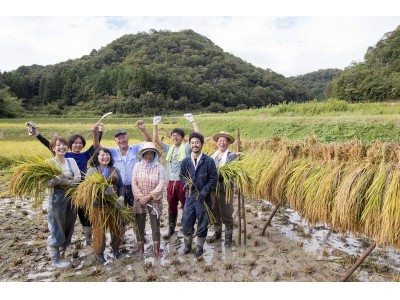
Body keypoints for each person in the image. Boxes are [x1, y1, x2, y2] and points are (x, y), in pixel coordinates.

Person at [26, 121, 101, 245]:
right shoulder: (65, 155)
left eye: (80, 143)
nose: (78, 145)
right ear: (70, 145)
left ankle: (88, 239)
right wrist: (37, 134)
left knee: (86, 216)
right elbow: (49, 145)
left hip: (82, 191)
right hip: (66, 192)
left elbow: (95, 146)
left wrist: (97, 132)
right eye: (75, 143)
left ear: (83, 145)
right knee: (66, 218)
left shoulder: (85, 155)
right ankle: (62, 243)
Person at [152, 113, 199, 239]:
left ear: (183, 138)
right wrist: (155, 124)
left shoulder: (187, 148)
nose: (175, 137)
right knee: (171, 207)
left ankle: (188, 228)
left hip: (183, 182)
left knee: (186, 207)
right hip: (171, 182)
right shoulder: (169, 148)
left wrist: (193, 121)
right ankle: (171, 229)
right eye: (173, 136)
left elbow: (197, 136)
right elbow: (155, 139)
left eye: (177, 136)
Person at [179, 132, 218, 257]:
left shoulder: (209, 161)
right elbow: (182, 176)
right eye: (192, 143)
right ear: (190, 145)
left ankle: (199, 247)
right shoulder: (186, 161)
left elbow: (213, 178)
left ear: (202, 144)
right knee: (186, 221)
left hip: (204, 199)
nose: (194, 145)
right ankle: (187, 245)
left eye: (197, 143)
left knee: (202, 222)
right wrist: (187, 183)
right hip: (190, 197)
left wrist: (204, 192)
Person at [46, 135, 81, 268]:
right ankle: (55, 259)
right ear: (53, 148)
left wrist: (67, 181)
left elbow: (78, 177)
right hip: (56, 200)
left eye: (64, 144)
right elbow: (45, 183)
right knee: (57, 227)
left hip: (72, 198)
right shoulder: (49, 163)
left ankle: (62, 254)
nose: (62, 147)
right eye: (58, 145)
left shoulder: (71, 161)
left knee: (69, 226)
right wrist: (56, 180)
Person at [86, 148, 125, 264]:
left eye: (107, 154)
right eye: (102, 155)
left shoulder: (115, 169)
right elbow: (88, 190)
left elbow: (121, 186)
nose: (105, 157)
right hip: (98, 206)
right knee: (99, 229)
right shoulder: (92, 171)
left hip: (114, 205)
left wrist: (121, 197)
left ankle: (116, 249)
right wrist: (102, 191)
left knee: (116, 227)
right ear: (97, 157)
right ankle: (99, 253)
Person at [107, 120, 151, 208]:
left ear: (127, 138)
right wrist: (96, 134)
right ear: (115, 140)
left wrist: (143, 129)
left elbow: (149, 142)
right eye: (119, 138)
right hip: (119, 187)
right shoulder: (112, 151)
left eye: (123, 137)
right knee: (120, 214)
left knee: (136, 213)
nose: (121, 140)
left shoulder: (135, 148)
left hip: (134, 187)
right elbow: (98, 148)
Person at [131, 142, 165, 258]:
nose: (149, 156)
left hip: (154, 200)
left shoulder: (159, 167)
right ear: (143, 154)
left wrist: (149, 196)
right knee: (139, 225)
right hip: (139, 200)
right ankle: (140, 248)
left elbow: (161, 184)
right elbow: (134, 183)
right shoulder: (137, 166)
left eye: (151, 154)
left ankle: (156, 250)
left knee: (155, 225)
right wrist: (140, 197)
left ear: (155, 155)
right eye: (146, 154)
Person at [208, 131, 238, 246]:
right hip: (213, 189)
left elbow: (234, 172)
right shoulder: (212, 157)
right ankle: (217, 233)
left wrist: (218, 174)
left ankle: (228, 238)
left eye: (224, 141)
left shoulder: (231, 156)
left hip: (225, 190)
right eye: (220, 140)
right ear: (217, 143)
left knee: (226, 212)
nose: (222, 143)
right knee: (215, 212)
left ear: (228, 142)